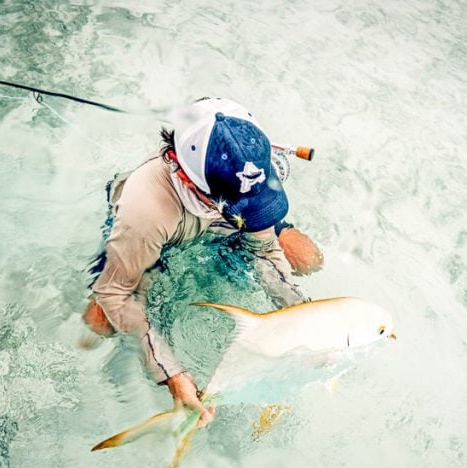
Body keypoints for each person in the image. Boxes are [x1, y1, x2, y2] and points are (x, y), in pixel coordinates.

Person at [82, 97, 323, 428]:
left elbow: (265, 249)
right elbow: (115, 294)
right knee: (100, 320)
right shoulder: (144, 212)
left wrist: (310, 319)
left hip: (223, 220)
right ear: (185, 177)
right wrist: (172, 374)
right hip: (158, 233)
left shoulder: (243, 148)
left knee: (308, 258)